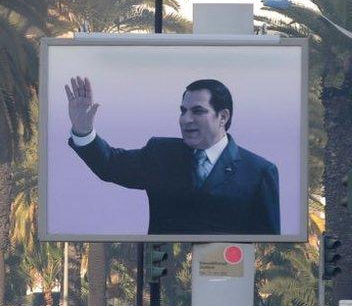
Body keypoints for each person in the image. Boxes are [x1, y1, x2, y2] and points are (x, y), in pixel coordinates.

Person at [65, 77, 280, 235]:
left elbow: (269, 246)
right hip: (165, 284)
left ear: (222, 116)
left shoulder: (259, 172)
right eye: (182, 111)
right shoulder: (161, 154)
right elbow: (110, 164)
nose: (186, 119)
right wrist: (83, 130)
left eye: (197, 111)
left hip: (228, 281)